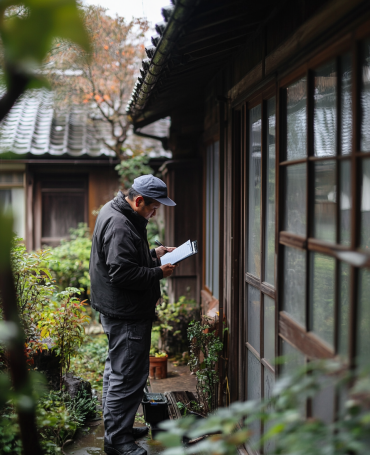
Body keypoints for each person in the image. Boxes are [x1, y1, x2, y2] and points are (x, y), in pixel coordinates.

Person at [89, 175, 177, 455]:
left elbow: (123, 258)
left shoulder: (115, 209)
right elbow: (121, 272)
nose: (155, 213)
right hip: (125, 311)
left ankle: (119, 428)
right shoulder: (120, 224)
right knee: (127, 376)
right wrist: (157, 272)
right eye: (153, 208)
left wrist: (153, 254)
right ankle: (117, 442)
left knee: (116, 370)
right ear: (138, 200)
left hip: (117, 308)